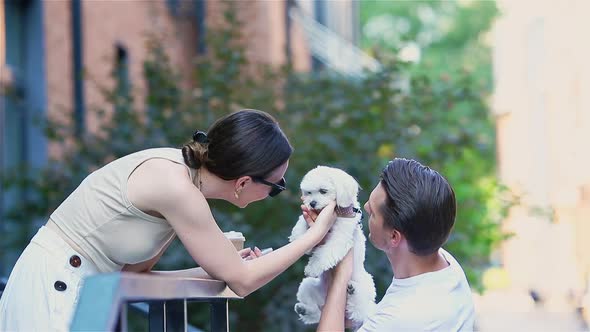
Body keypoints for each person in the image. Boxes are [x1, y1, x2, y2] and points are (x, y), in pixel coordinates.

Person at [0, 109, 337, 331]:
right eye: (277, 186)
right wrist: (313, 235)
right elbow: (243, 282)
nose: (279, 191)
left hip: (75, 284)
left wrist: (209, 269)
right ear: (244, 182)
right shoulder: (179, 190)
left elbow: (134, 273)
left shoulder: (184, 182)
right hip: (56, 283)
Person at [313, 158, 475, 331]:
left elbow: (399, 321)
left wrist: (340, 273)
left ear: (394, 237)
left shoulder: (401, 317)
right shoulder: (445, 264)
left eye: (373, 213)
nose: (366, 207)